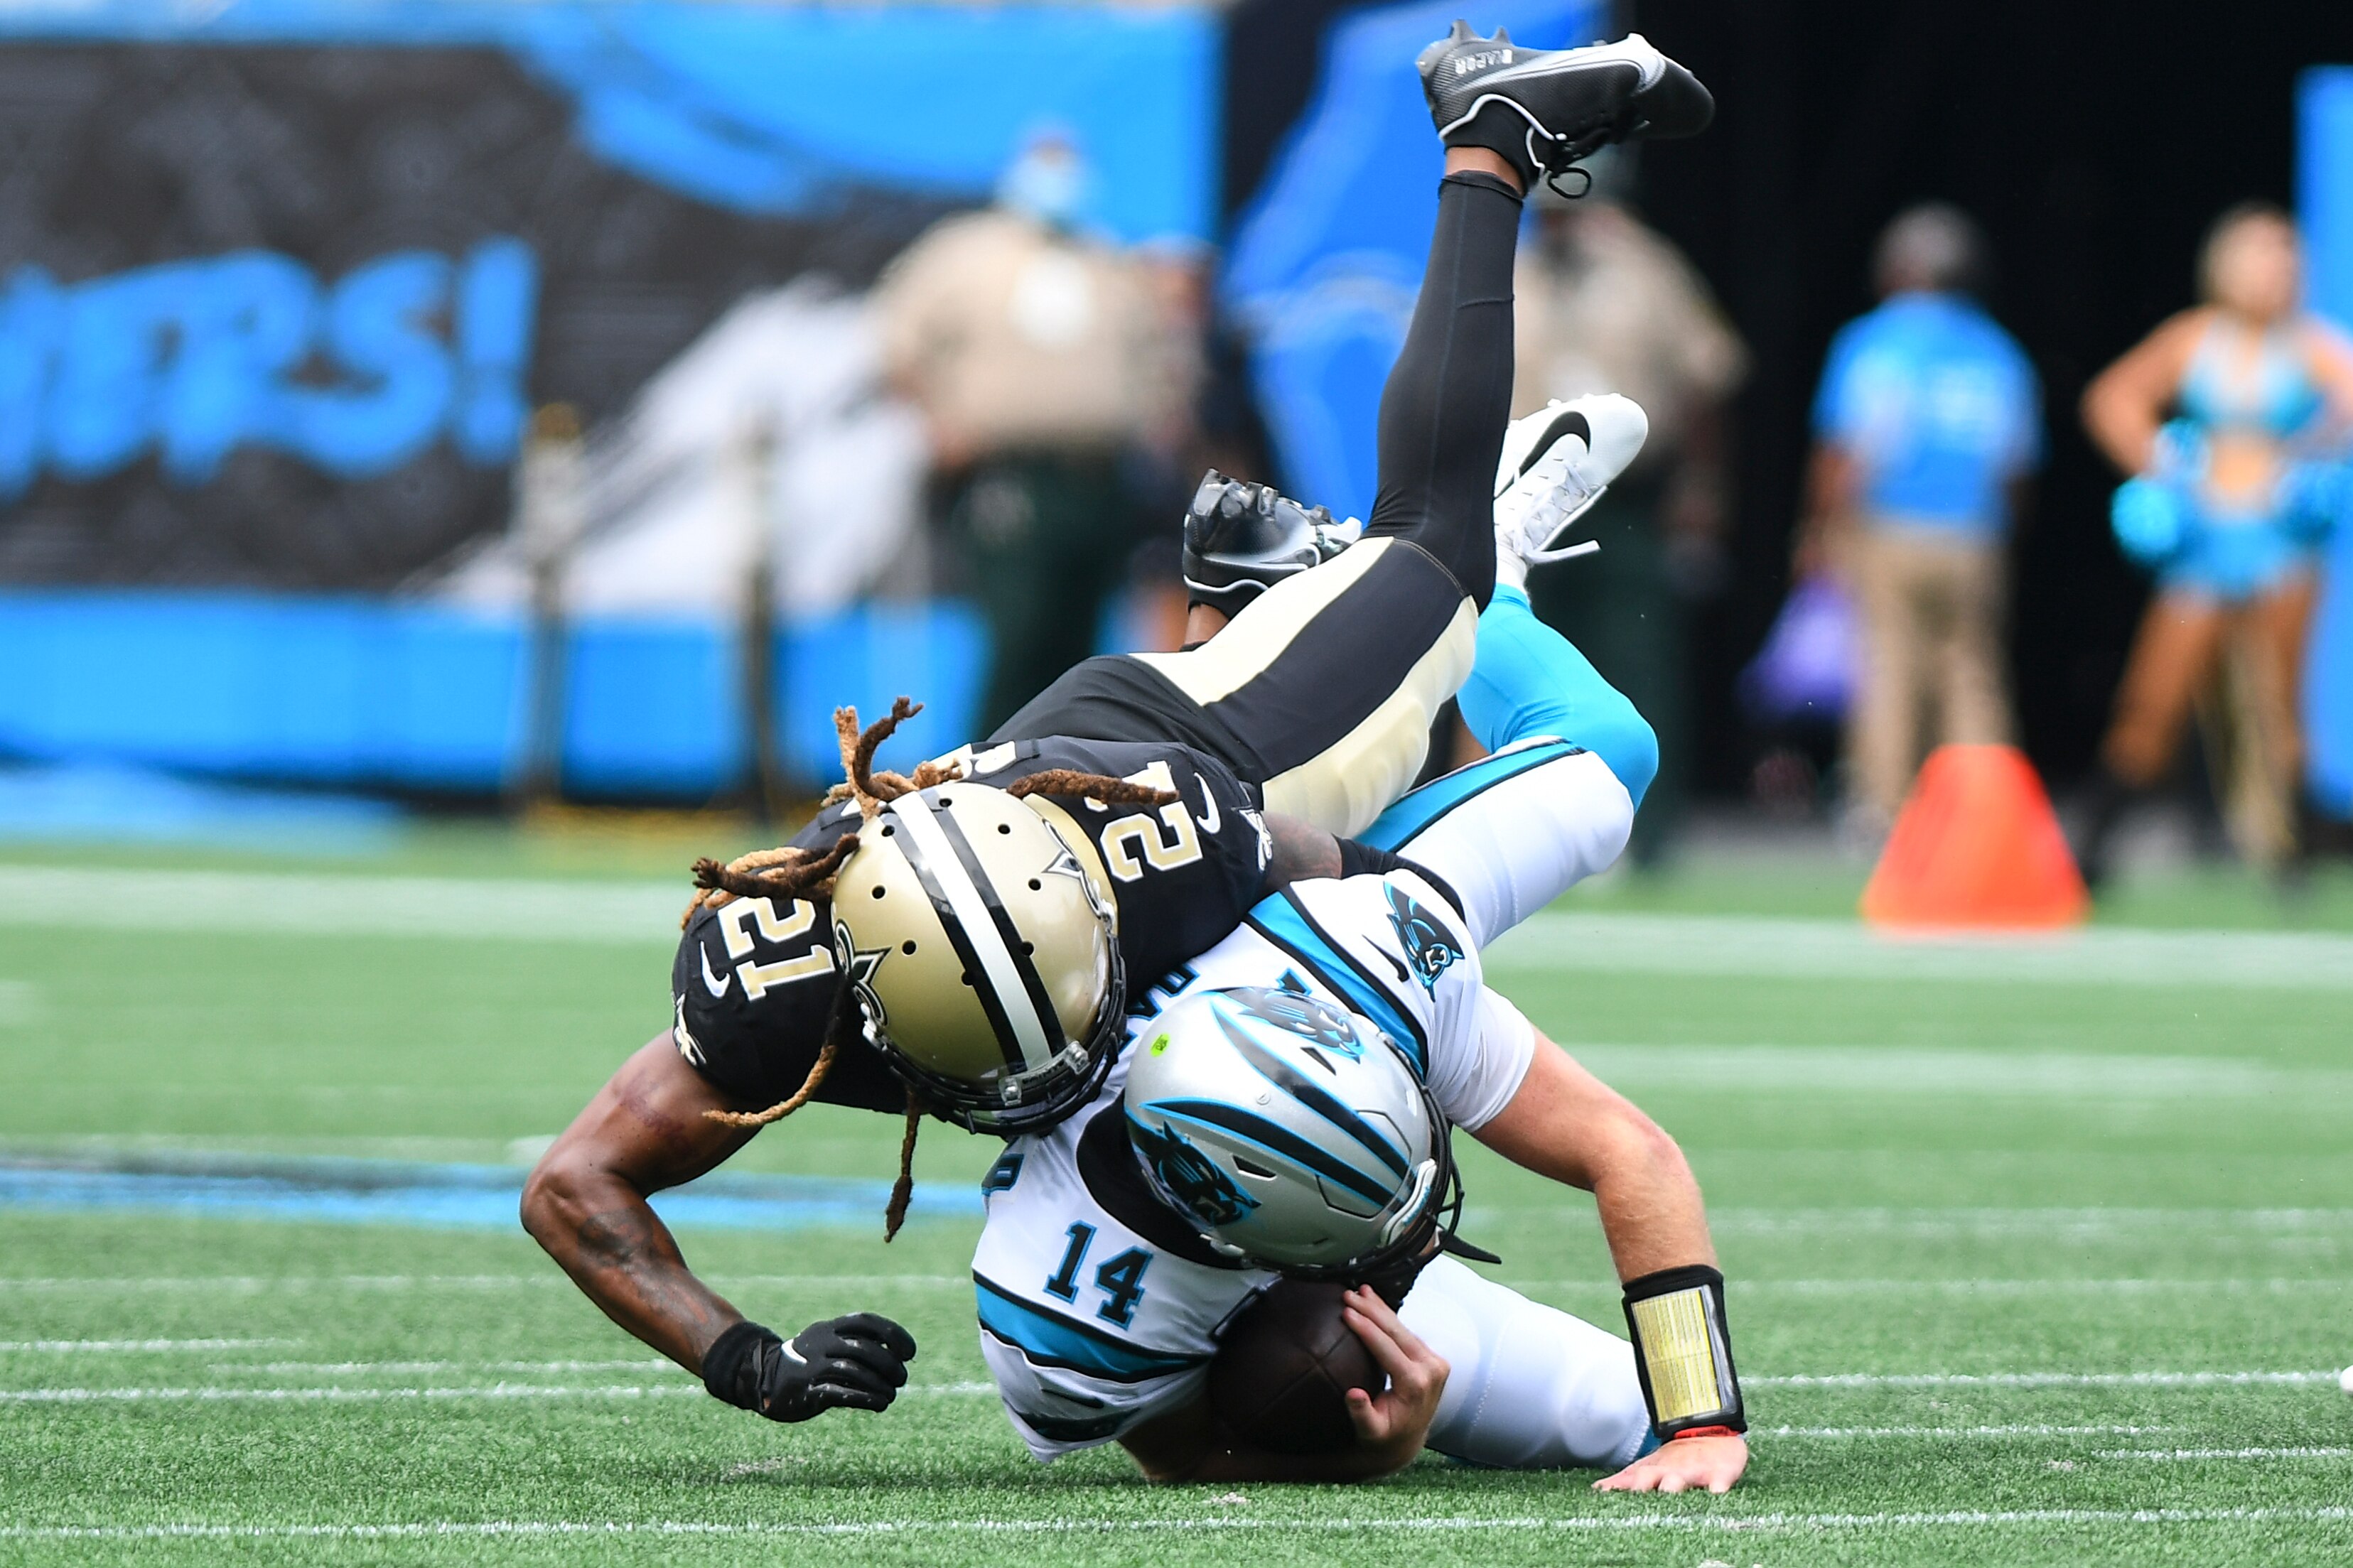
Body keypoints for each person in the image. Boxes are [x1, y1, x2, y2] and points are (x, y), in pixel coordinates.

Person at [520, 21, 1712, 1434]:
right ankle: (1298, 592)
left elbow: (1375, 894)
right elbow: (572, 1184)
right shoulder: (774, 987)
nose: (1062, 1073)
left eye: (1073, 1021)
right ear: (870, 1018)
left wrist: (1403, 1050)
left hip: (1182, 747)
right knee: (1076, 1397)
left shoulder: (1175, 852)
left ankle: (1487, 141)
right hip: (1069, 842)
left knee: (1437, 552)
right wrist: (745, 1356)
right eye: (1007, 1067)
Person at [965, 583, 1739, 1493]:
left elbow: (1626, 1149)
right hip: (1230, 1182)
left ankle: (1468, 583)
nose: (1421, 1233)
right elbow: (1177, 1455)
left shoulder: (1375, 961)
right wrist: (1369, 1451)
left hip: (1290, 907)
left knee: (1608, 762)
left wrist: (1703, 1421)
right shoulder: (1057, 1305)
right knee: (1621, 1411)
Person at [873, 132, 1200, 735]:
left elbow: (1158, 359)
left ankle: (1061, 771)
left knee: (1080, 643)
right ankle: (983, 774)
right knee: (1019, 631)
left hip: (1099, 475)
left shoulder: (1105, 260)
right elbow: (898, 343)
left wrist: (1158, 424)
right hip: (1009, 472)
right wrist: (939, 422)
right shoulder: (964, 255)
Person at [2073, 203, 2353, 884]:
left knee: (2276, 704)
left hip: (2277, 542)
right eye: (2260, 254)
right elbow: (2110, 399)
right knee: (2154, 699)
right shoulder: (2196, 339)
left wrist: (2308, 458)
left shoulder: (2313, 345)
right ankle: (2091, 852)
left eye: (2284, 257)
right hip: (2203, 541)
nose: (2274, 270)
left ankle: (2293, 855)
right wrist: (2164, 461)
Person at [1510, 157, 1746, 863]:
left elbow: (1708, 377)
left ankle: (1647, 829)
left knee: (1637, 656)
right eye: (1548, 210)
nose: (1562, 224)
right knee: (1528, 656)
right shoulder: (1516, 273)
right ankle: (1534, 823)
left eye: (1572, 208)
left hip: (1624, 495)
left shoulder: (1648, 272)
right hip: (1529, 495)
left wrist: (1701, 489)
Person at [1796, 203, 2042, 838]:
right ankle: (1985, 814)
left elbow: (1841, 450)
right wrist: (2004, 532)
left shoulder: (1871, 341)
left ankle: (1882, 809)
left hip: (1888, 526)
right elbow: (2015, 465)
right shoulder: (1999, 350)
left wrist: (1818, 529)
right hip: (1972, 531)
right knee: (1973, 675)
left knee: (1887, 667)